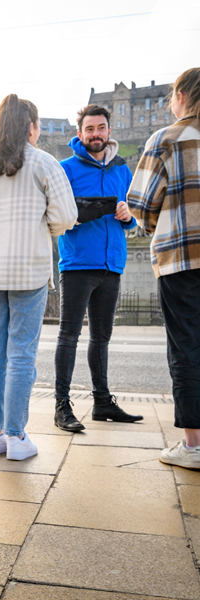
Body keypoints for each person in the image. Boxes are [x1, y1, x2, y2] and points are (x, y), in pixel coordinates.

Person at [0, 94, 77, 460]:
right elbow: (66, 218)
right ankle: (16, 437)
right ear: (30, 127)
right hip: (28, 268)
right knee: (21, 355)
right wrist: (38, 225)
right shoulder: (43, 163)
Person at [53, 105, 143, 432]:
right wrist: (88, 210)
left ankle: (102, 402)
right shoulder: (65, 168)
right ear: (80, 134)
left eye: (101, 128)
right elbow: (56, 214)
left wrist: (126, 216)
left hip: (112, 264)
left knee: (101, 338)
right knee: (69, 335)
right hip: (77, 263)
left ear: (109, 131)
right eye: (89, 129)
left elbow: (134, 218)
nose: (95, 134)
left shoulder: (122, 170)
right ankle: (61, 405)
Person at [127, 68, 200, 470]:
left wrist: (158, 223)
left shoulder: (167, 139)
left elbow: (139, 202)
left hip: (182, 258)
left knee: (187, 347)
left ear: (182, 97)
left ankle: (193, 444)